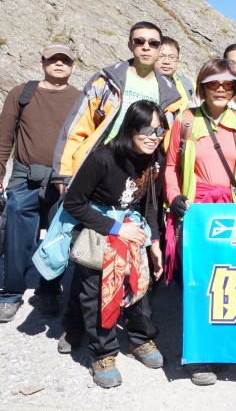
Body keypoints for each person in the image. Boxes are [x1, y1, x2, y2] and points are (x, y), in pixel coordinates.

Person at [164, 58, 236, 386]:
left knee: (227, 279)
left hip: (231, 210)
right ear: (202, 87)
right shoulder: (186, 120)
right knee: (198, 281)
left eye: (227, 83)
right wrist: (173, 196)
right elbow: (170, 166)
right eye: (213, 83)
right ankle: (199, 355)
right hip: (196, 211)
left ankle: (220, 346)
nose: (220, 89)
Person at [62, 100, 167, 388]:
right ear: (131, 128)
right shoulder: (103, 158)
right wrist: (117, 228)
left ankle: (140, 339)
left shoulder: (155, 159)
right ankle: (103, 354)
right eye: (146, 129)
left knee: (142, 283)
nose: (153, 137)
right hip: (100, 227)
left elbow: (151, 204)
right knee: (97, 289)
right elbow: (73, 203)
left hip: (133, 227)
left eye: (159, 131)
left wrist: (154, 243)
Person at [0, 44, 81, 322]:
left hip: (63, 179)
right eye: (52, 59)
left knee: (58, 237)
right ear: (42, 62)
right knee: (16, 236)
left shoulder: (80, 99)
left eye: (64, 60)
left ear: (72, 66)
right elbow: (4, 136)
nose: (59, 64)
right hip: (25, 176)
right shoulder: (22, 93)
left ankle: (49, 289)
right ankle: (11, 293)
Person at [53, 21, 183, 183]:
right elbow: (77, 128)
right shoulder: (106, 81)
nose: (146, 47)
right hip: (99, 166)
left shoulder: (169, 94)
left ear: (159, 48)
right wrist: (63, 173)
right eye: (139, 41)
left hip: (141, 174)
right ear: (130, 45)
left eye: (153, 43)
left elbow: (168, 143)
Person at [156, 37, 195, 112]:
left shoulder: (189, 86)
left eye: (172, 57)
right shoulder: (143, 84)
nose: (166, 61)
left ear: (177, 60)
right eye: (161, 56)